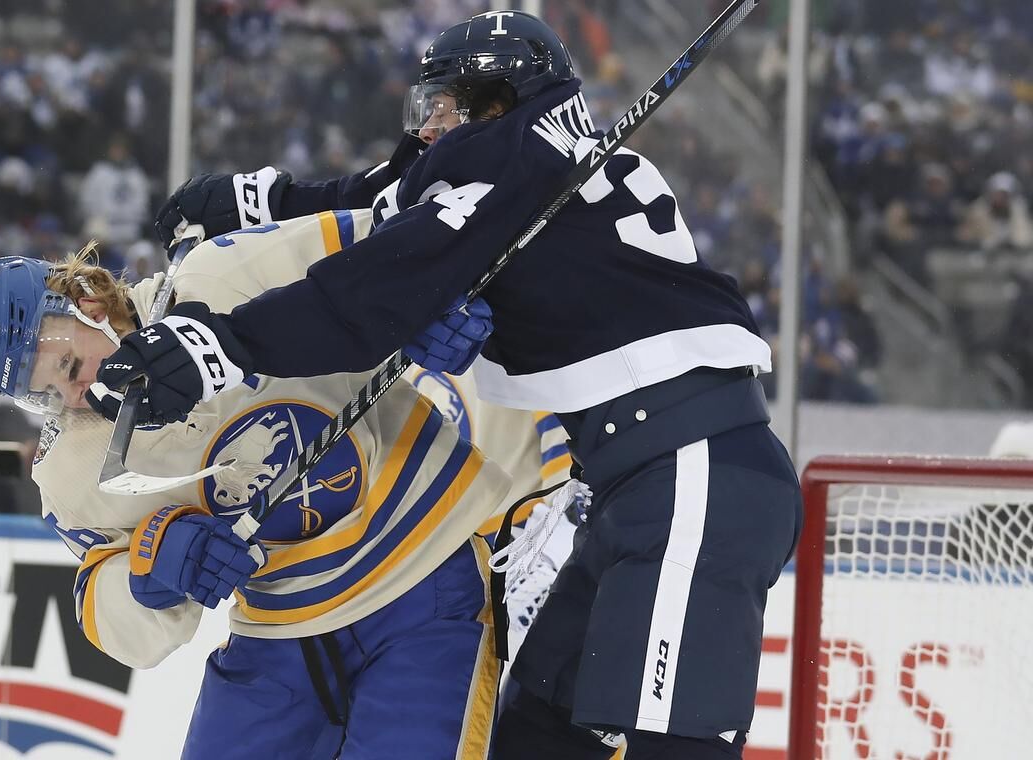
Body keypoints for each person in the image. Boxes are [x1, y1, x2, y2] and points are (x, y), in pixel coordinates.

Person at [105, 11, 803, 759]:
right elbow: (397, 208)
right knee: (539, 731)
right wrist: (269, 204)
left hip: (691, 475)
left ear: (495, 101)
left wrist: (219, 344)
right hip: (635, 486)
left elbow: (370, 291)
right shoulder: (541, 164)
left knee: (676, 745)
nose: (428, 126)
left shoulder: (513, 165)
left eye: (443, 106)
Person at [0, 208, 569, 759]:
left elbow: (399, 230)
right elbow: (103, 604)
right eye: (44, 393)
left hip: (427, 581)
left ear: (88, 300)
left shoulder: (222, 274)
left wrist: (423, 298)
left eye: (67, 366)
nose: (73, 395)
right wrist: (150, 569)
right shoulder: (70, 468)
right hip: (279, 630)